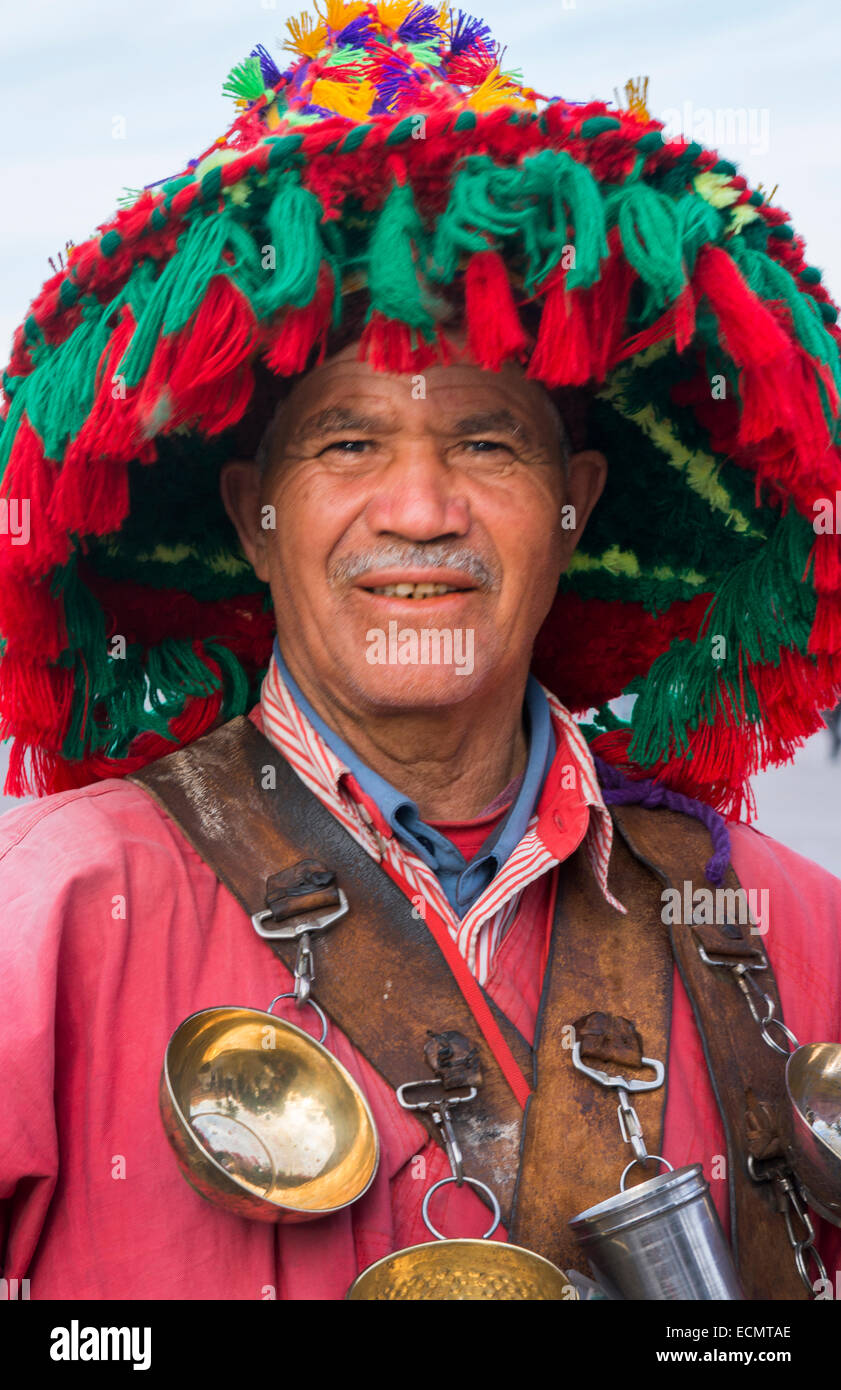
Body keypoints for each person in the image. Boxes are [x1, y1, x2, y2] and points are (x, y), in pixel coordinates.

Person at [1, 2, 840, 1301]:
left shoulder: (788, 921)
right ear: (252, 517)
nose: (419, 510)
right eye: (346, 441)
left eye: (486, 442)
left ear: (577, 507)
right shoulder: (46, 913)